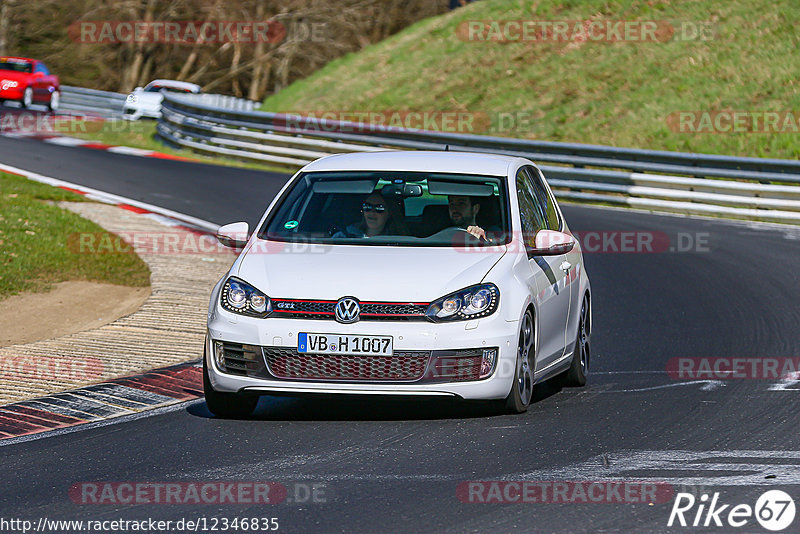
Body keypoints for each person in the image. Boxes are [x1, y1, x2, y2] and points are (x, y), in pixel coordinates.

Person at [334, 193, 407, 238]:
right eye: (367, 207)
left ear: (389, 213)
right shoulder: (342, 237)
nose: (372, 213)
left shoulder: (398, 241)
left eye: (379, 208)